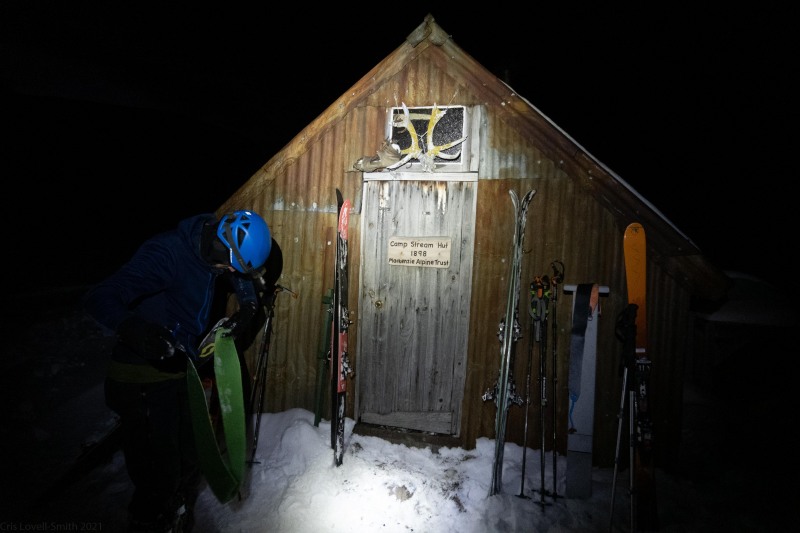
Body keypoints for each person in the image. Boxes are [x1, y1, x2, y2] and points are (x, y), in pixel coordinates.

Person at [83, 210, 273, 532]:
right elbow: (99, 296)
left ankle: (180, 513)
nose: (229, 273)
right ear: (220, 247)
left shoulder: (218, 247)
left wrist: (249, 306)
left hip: (180, 368)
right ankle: (150, 519)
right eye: (228, 266)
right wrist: (136, 330)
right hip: (141, 376)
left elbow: (241, 276)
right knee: (159, 474)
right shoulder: (167, 254)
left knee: (192, 455)